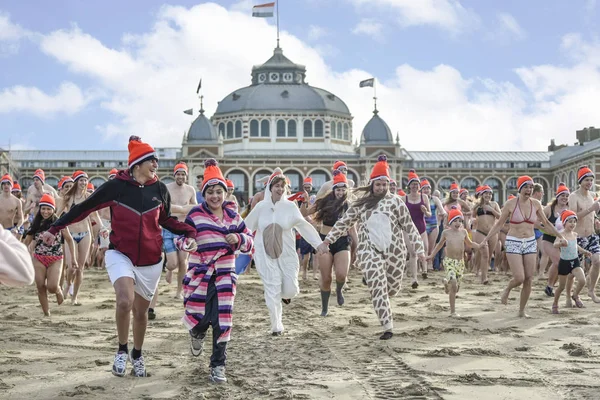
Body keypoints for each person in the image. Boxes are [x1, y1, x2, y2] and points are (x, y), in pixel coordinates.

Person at [41, 136, 198, 378]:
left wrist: (188, 231)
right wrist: (53, 228)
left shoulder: (159, 190)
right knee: (125, 301)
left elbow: (164, 220)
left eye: (156, 160)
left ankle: (137, 353)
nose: (156, 164)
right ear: (137, 165)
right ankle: (122, 350)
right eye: (151, 160)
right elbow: (84, 208)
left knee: (141, 312)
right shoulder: (116, 187)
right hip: (120, 253)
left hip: (151, 259)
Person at [318, 155, 426, 340]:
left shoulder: (396, 202)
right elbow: (344, 222)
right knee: (378, 285)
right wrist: (327, 241)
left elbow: (409, 226)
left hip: (395, 250)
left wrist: (420, 250)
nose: (382, 188)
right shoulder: (361, 202)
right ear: (372, 184)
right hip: (369, 250)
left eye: (385, 184)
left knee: (391, 289)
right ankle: (388, 326)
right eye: (378, 184)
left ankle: (384, 298)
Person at [177, 159, 253, 384]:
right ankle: (196, 333)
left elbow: (250, 242)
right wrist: (187, 245)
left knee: (222, 320)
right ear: (204, 194)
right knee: (201, 319)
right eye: (210, 192)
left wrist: (239, 238)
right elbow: (183, 238)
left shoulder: (233, 217)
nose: (214, 196)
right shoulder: (195, 215)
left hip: (225, 276)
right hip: (201, 276)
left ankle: (218, 366)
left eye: (218, 191)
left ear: (225, 193)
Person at [244, 169, 323, 336]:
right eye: (277, 186)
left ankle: (284, 295)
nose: (280, 189)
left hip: (286, 254)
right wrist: (235, 242)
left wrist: (319, 244)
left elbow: (304, 226)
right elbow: (246, 227)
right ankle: (276, 325)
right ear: (270, 188)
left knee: (289, 290)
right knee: (272, 287)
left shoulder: (290, 207)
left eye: (283, 186)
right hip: (264, 254)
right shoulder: (261, 207)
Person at [483, 176, 565, 317]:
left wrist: (561, 236)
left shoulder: (536, 204)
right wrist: (486, 239)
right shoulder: (510, 204)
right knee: (519, 277)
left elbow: (546, 224)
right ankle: (508, 289)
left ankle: (521, 311)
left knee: (528, 278)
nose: (529, 190)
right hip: (513, 241)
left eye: (531, 187)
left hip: (530, 242)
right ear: (520, 188)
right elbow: (499, 224)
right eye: (526, 187)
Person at [303, 170, 354, 316]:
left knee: (341, 275)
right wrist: (304, 202)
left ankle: (339, 290)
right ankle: (324, 307)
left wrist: (357, 245)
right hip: (324, 242)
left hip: (343, 241)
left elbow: (355, 227)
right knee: (326, 278)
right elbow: (305, 213)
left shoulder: (349, 205)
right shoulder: (324, 202)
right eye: (338, 189)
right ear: (333, 190)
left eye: (344, 189)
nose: (341, 192)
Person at [23, 194, 76, 316]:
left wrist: (73, 258)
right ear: (40, 209)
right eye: (43, 208)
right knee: (40, 286)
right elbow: (26, 242)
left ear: (53, 209)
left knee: (52, 286)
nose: (45, 211)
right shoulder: (36, 223)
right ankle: (47, 314)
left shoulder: (59, 222)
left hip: (56, 258)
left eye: (48, 209)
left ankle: (58, 291)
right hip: (39, 258)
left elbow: (69, 240)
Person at [427, 207, 484, 317]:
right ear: (450, 222)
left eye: (460, 220)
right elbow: (439, 245)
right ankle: (453, 311)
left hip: (460, 263)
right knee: (453, 283)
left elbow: (470, 244)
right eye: (455, 220)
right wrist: (431, 255)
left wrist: (479, 245)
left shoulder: (463, 232)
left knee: (455, 288)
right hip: (449, 261)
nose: (458, 223)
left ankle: (446, 283)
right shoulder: (446, 233)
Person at [56, 170, 99, 305]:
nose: (84, 182)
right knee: (70, 267)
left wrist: (102, 228)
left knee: (80, 268)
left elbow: (95, 216)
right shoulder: (68, 198)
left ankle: (74, 297)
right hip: (70, 235)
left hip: (85, 234)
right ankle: (68, 285)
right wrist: (53, 229)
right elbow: (57, 215)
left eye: (86, 180)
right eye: (81, 180)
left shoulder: (89, 197)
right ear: (76, 182)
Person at [163, 162, 198, 300]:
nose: (181, 176)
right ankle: (169, 269)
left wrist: (180, 208)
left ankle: (180, 291)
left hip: (184, 229)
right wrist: (183, 208)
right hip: (169, 227)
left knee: (183, 261)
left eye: (183, 174)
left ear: (186, 176)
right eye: (178, 174)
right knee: (173, 263)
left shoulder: (190, 190)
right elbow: (165, 208)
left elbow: (195, 207)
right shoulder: (166, 188)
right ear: (174, 175)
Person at [568, 166, 600, 303]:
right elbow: (572, 217)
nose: (589, 183)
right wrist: (590, 209)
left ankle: (591, 291)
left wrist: (597, 220)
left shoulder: (593, 195)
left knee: (598, 261)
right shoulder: (573, 196)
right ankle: (570, 296)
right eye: (586, 180)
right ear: (580, 181)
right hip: (577, 237)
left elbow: (593, 214)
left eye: (591, 180)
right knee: (573, 271)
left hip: (591, 236)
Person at [552, 210, 591, 314]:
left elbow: (575, 246)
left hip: (575, 261)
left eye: (574, 221)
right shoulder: (561, 235)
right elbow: (554, 245)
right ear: (564, 223)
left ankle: (575, 295)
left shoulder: (574, 234)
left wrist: (584, 251)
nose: (573, 224)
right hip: (564, 263)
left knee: (582, 280)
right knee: (561, 287)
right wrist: (560, 243)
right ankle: (555, 303)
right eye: (570, 221)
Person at [401, 170, 431, 285]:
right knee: (413, 253)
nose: (414, 186)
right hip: (408, 229)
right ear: (409, 186)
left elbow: (429, 214)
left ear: (419, 186)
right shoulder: (404, 199)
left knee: (424, 250)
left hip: (421, 227)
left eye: (416, 184)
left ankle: (424, 270)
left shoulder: (424, 197)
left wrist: (425, 211)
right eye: (412, 184)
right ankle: (414, 279)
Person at [541, 183, 570, 297]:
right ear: (557, 196)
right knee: (558, 262)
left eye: (567, 196)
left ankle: (550, 286)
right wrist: (549, 230)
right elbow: (537, 223)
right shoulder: (549, 209)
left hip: (563, 240)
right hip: (548, 239)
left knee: (561, 264)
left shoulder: (569, 209)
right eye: (562, 195)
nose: (565, 198)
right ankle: (550, 285)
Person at [471, 185, 501, 284]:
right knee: (485, 254)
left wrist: (491, 209)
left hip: (492, 233)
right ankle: (484, 278)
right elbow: (472, 217)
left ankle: (483, 272)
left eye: (490, 194)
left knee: (488, 256)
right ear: (482, 195)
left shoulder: (494, 204)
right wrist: (473, 220)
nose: (488, 195)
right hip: (480, 232)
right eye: (486, 193)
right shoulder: (477, 206)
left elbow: (500, 217)